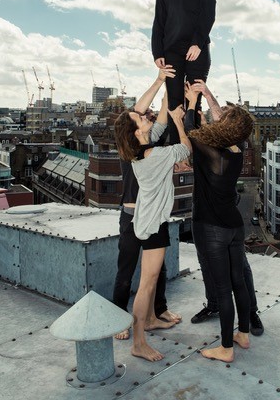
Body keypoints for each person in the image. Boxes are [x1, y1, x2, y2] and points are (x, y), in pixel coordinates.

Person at [114, 82, 191, 362]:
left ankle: (149, 320)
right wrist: (180, 122)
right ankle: (138, 340)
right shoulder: (152, 155)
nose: (142, 116)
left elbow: (158, 115)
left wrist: (168, 86)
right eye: (139, 118)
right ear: (136, 131)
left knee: (152, 279)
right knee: (141, 282)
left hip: (150, 219)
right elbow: (184, 148)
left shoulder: (141, 146)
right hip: (145, 220)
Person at [184, 83, 254, 363]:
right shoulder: (237, 148)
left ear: (225, 125)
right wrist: (207, 94)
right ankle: (244, 334)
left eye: (224, 113)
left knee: (223, 288)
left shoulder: (209, 147)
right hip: (235, 226)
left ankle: (226, 348)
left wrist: (191, 102)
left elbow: (190, 127)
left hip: (211, 227)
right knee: (239, 283)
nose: (219, 112)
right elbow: (220, 122)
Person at [147, 0, 216, 143]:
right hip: (172, 51)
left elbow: (208, 15)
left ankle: (194, 147)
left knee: (194, 99)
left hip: (198, 49)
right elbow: (159, 21)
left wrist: (197, 42)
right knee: (174, 102)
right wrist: (157, 52)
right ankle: (178, 150)